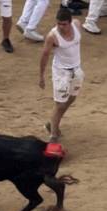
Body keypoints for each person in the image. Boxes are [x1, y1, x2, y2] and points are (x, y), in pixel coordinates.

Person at [39, 8, 84, 143]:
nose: (60, 26)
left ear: (70, 22)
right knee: (60, 105)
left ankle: (52, 123)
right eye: (58, 23)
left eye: (63, 24)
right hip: (61, 73)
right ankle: (53, 135)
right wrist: (41, 76)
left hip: (76, 69)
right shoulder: (52, 36)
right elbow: (44, 56)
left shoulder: (77, 24)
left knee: (72, 98)